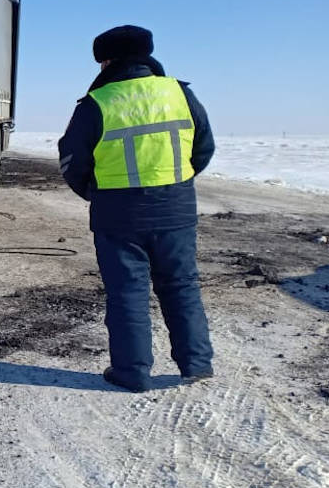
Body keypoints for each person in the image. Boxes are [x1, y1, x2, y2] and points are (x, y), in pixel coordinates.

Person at [59, 25, 216, 393]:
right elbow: (204, 147)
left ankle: (133, 372)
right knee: (181, 286)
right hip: (175, 211)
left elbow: (71, 159)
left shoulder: (97, 103)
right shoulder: (179, 93)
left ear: (108, 61)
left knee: (128, 293)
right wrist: (175, 184)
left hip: (118, 216)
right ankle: (196, 364)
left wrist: (96, 193)